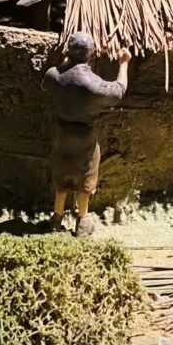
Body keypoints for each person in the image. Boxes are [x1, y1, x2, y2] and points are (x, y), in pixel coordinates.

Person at [42, 32, 132, 237]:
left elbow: (49, 81)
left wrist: (65, 64)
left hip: (62, 134)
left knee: (61, 172)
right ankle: (82, 221)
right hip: (86, 137)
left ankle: (57, 217)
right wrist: (124, 63)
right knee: (87, 174)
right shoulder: (93, 85)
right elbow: (119, 89)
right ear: (91, 54)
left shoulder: (53, 75)